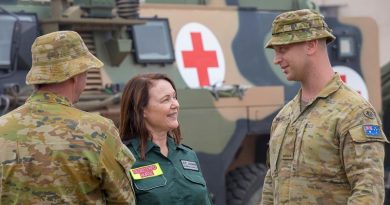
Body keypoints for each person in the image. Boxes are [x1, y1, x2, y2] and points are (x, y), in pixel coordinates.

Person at [260, 9, 388, 205]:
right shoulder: (284, 117)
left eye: (283, 49)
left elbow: (368, 192)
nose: (277, 59)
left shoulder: (354, 113)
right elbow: (271, 185)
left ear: (310, 44)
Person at [0, 31, 136, 204]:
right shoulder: (99, 131)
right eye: (86, 72)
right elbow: (122, 200)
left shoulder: (2, 127)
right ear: (75, 75)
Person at [119, 73, 213, 205]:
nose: (175, 104)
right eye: (166, 99)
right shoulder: (124, 159)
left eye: (174, 97)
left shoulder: (188, 155)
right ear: (142, 110)